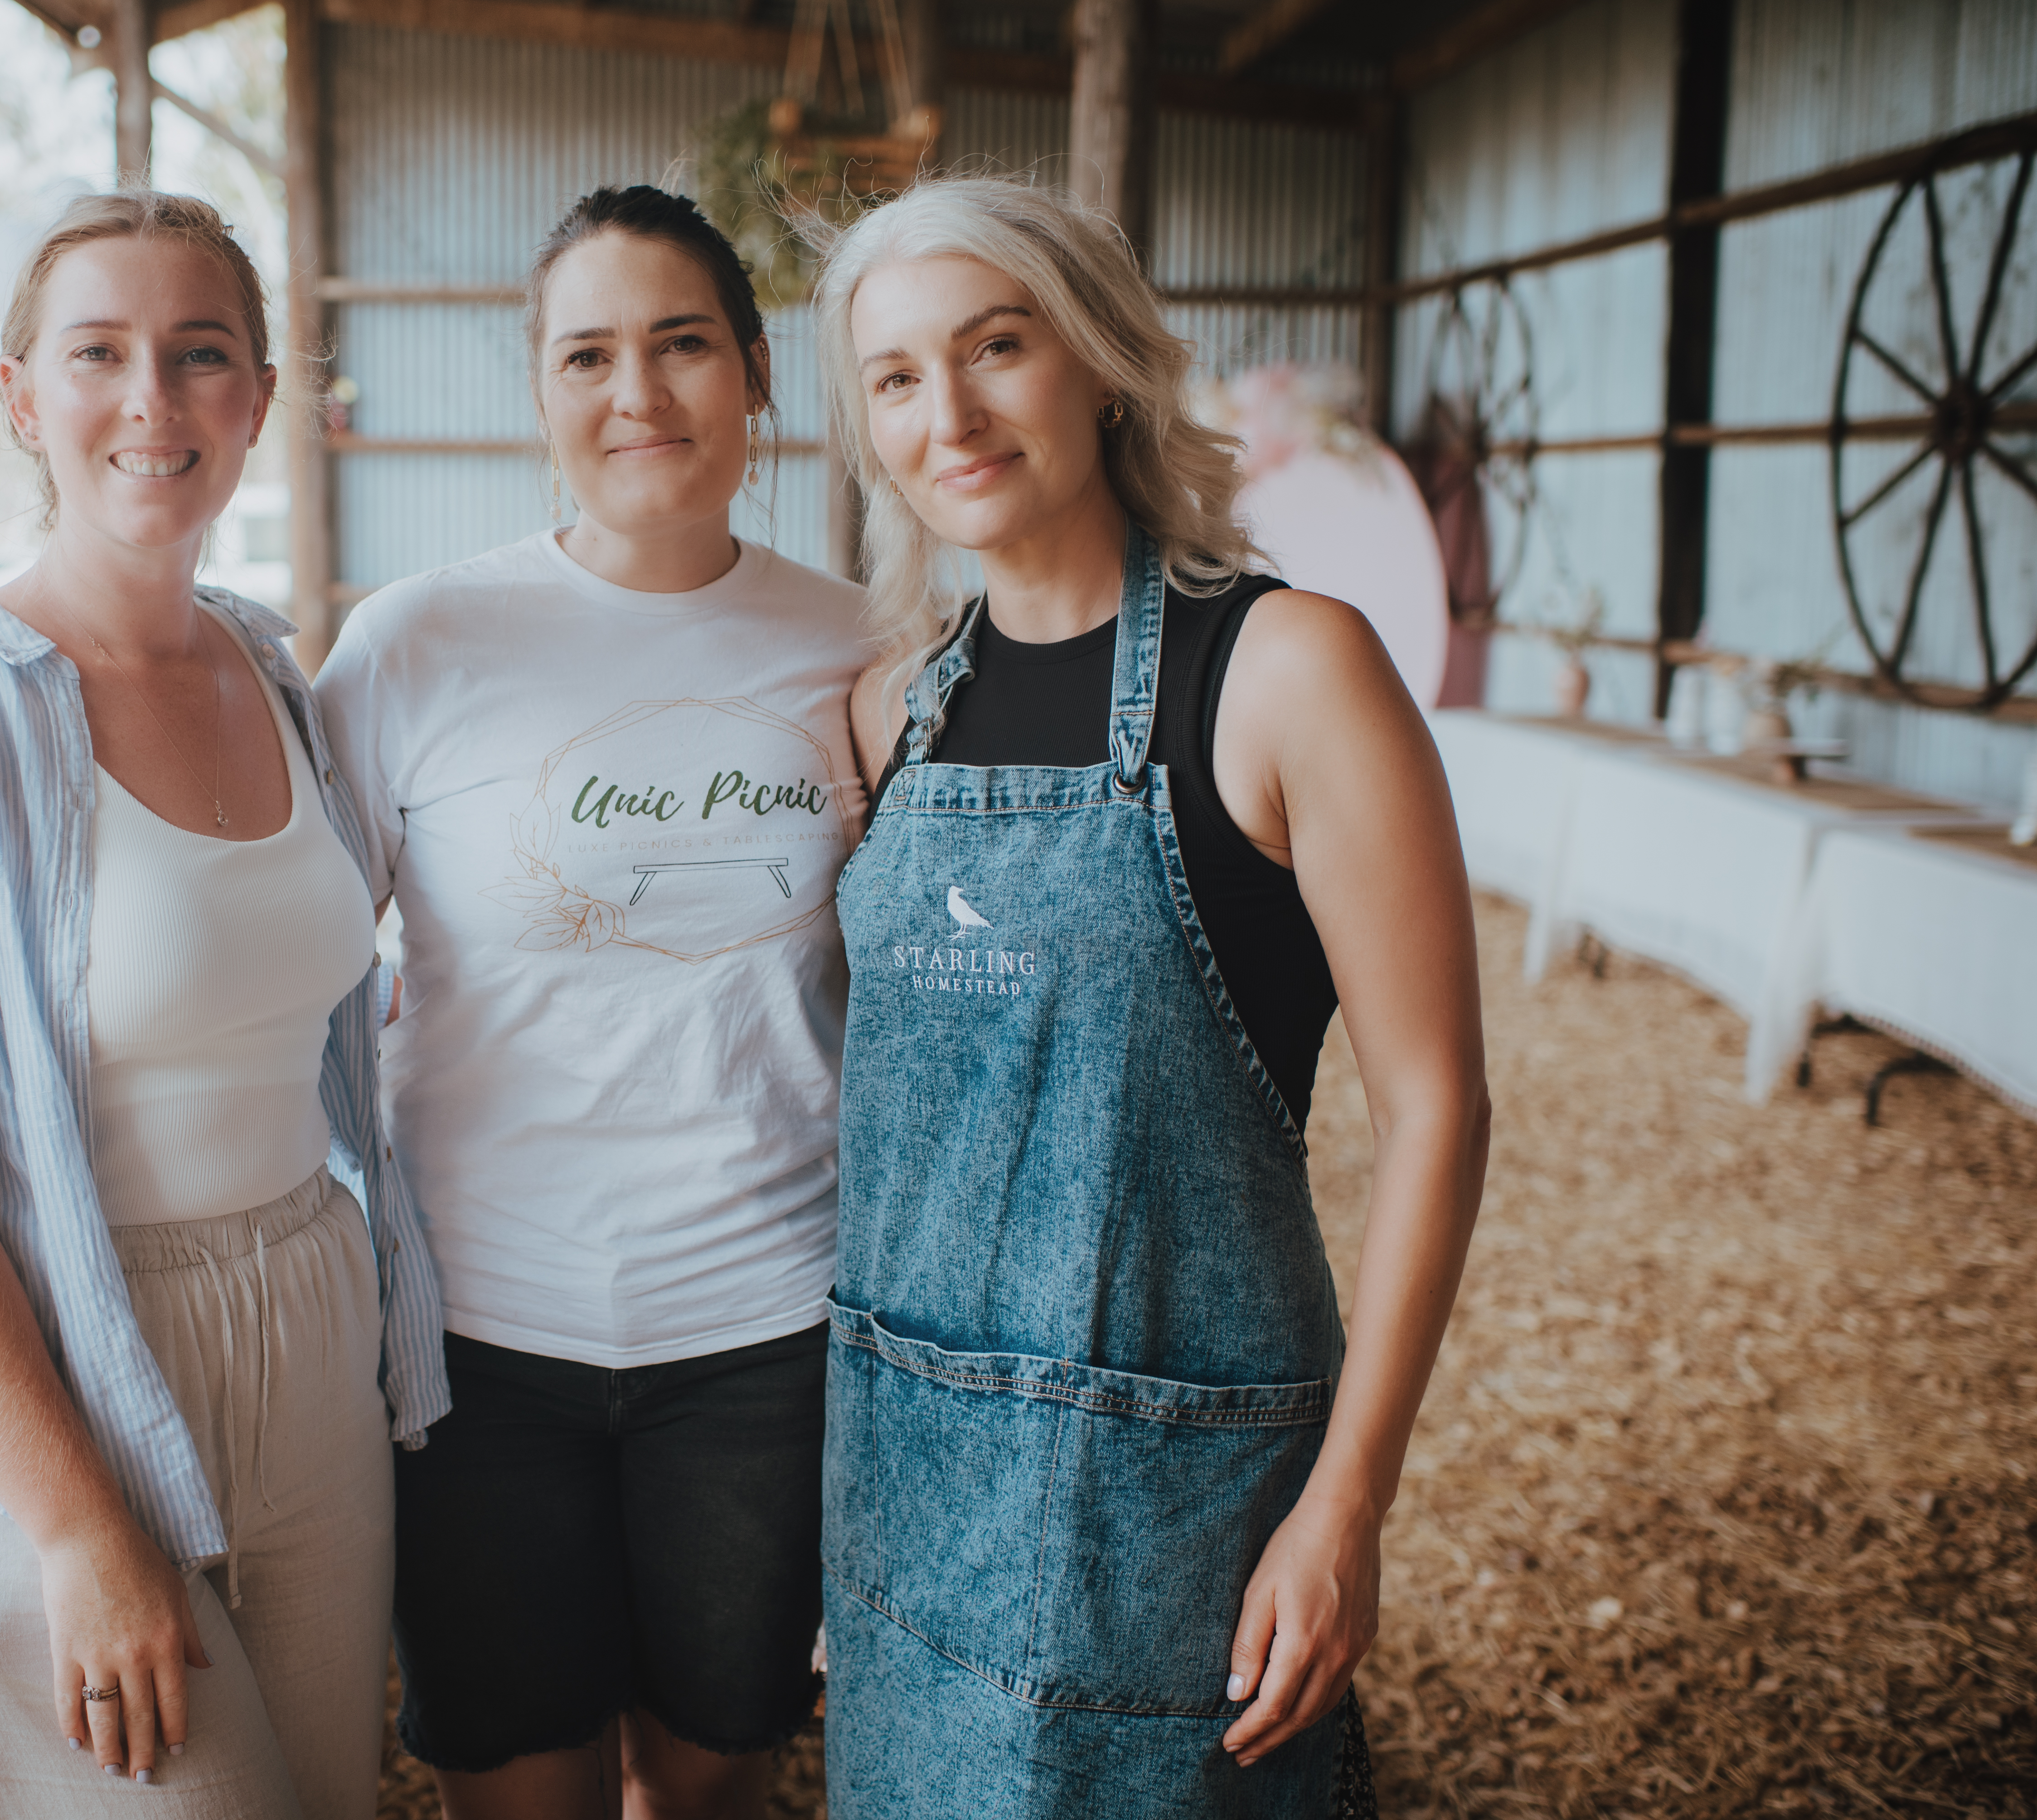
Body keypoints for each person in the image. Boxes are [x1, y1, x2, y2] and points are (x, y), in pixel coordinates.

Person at [0, 190, 446, 1819]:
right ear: (19, 399)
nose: (153, 401)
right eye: (99, 355)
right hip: (53, 1360)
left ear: (260, 399)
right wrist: (77, 1528)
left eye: (202, 356)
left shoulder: (282, 681)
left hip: (311, 1323)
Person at [810, 176, 1488, 1817]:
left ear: (1102, 359)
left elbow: (1439, 1108)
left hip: (1177, 1496)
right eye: (897, 377)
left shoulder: (1289, 670)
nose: (949, 414)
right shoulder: (890, 707)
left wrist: (1348, 1508)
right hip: (907, 1477)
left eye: (996, 346)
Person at [314, 185, 868, 1820]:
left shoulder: (864, 649)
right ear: (542, 393)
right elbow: (290, 953)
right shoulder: (416, 645)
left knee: (712, 1775)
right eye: (588, 355)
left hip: (767, 1324)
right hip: (481, 1339)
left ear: (760, 373)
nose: (639, 394)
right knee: (522, 1788)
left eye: (683, 343)